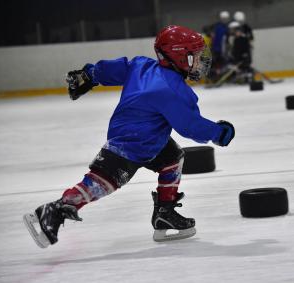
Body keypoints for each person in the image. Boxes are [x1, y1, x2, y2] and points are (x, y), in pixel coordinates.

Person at [23, 25, 235, 248]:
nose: (201, 62)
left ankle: (165, 212)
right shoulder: (174, 91)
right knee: (100, 184)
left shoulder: (141, 65)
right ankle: (52, 212)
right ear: (181, 57)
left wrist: (88, 75)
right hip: (129, 147)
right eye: (196, 56)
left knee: (172, 158)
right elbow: (191, 127)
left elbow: (112, 69)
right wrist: (219, 133)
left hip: (148, 140)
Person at [210, 11, 231, 79]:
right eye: (223, 18)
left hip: (223, 49)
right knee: (217, 63)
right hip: (217, 49)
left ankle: (221, 76)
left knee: (223, 63)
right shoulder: (217, 27)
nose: (225, 20)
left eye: (226, 18)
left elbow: (226, 40)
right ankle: (215, 77)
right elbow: (215, 39)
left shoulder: (227, 27)